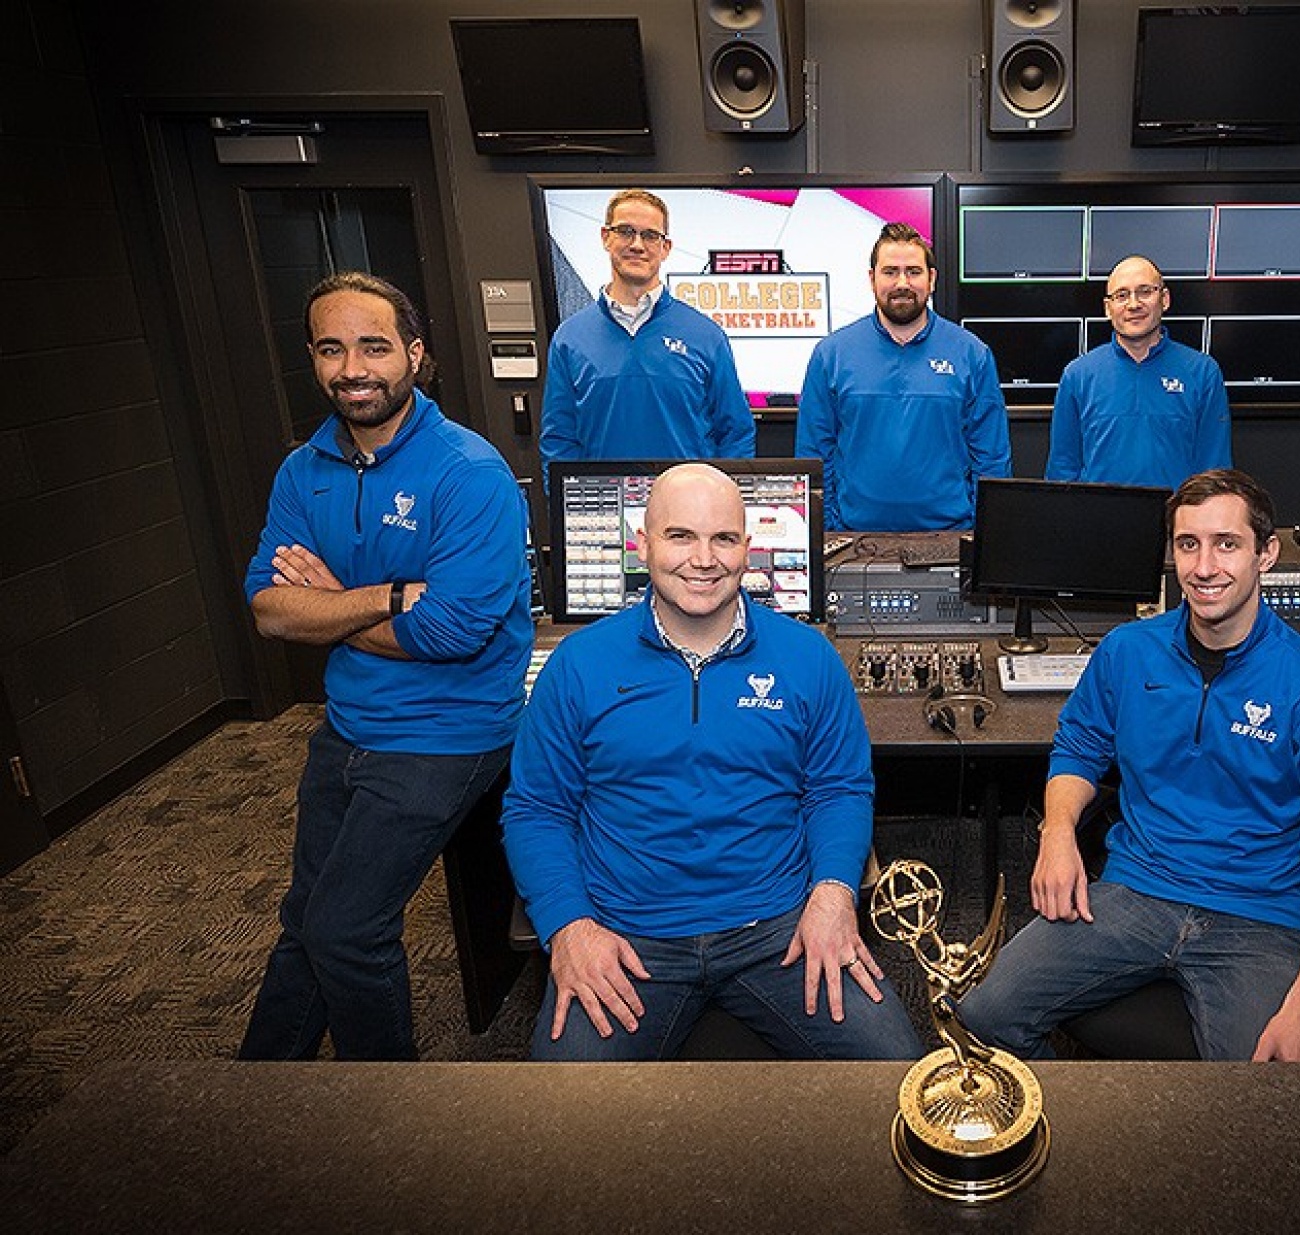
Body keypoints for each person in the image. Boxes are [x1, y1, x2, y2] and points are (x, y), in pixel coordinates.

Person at [501, 462, 923, 1061]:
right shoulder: (579, 666)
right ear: (641, 545)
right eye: (680, 537)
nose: (704, 558)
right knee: (563, 1122)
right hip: (626, 936)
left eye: (723, 538)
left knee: (899, 1074)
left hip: (780, 926)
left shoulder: (808, 658)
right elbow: (536, 812)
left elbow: (838, 789)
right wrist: (569, 926)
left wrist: (832, 894)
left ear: (747, 550)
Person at [959, 469, 1300, 1061]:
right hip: (1139, 888)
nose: (1204, 567)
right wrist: (1057, 834)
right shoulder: (1128, 651)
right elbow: (1079, 748)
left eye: (1226, 544)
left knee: (1266, 1100)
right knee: (984, 1015)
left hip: (1259, 914)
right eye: (1188, 544)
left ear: (1267, 553)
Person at [239, 272, 533, 1061]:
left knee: (345, 928)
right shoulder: (303, 470)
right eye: (332, 349)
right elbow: (269, 608)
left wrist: (331, 609)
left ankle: (390, 1117)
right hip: (349, 727)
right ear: (313, 359)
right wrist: (383, 595)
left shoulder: (468, 474)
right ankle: (250, 1098)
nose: (353, 367)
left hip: (448, 734)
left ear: (415, 354)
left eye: (373, 345)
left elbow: (451, 632)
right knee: (307, 918)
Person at [796, 222, 1012, 530]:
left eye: (913, 271)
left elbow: (991, 459)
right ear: (872, 279)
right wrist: (830, 530)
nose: (902, 282)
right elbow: (815, 455)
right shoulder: (831, 355)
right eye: (890, 272)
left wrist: (980, 531)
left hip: (950, 538)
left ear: (931, 279)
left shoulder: (971, 354)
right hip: (854, 541)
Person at [540, 188, 755, 480]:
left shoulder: (705, 335)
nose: (637, 245)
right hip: (604, 512)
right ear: (606, 237)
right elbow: (558, 441)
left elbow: (736, 434)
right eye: (626, 231)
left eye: (650, 235)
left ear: (665, 247)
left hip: (687, 514)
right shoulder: (570, 338)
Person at [1045, 255, 1231, 487]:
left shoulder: (1203, 373)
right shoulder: (1078, 376)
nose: (1134, 304)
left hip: (1176, 520)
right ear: (1108, 308)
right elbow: (1063, 469)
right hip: (1098, 520)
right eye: (1121, 295)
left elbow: (1214, 470)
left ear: (1164, 299)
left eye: (1145, 291)